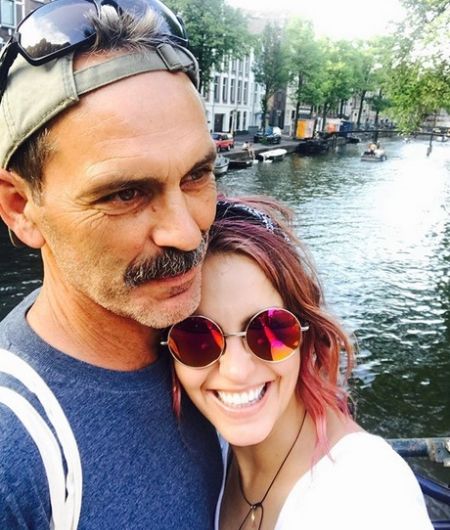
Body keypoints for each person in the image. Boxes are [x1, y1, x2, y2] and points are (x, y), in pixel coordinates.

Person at [0, 0, 222, 528]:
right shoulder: (14, 458)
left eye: (197, 176)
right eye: (125, 194)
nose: (186, 232)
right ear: (20, 207)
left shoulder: (233, 344)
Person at [164, 196, 434, 530]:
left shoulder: (369, 493)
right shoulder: (212, 452)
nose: (236, 370)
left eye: (269, 330)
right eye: (197, 338)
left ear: (305, 333)